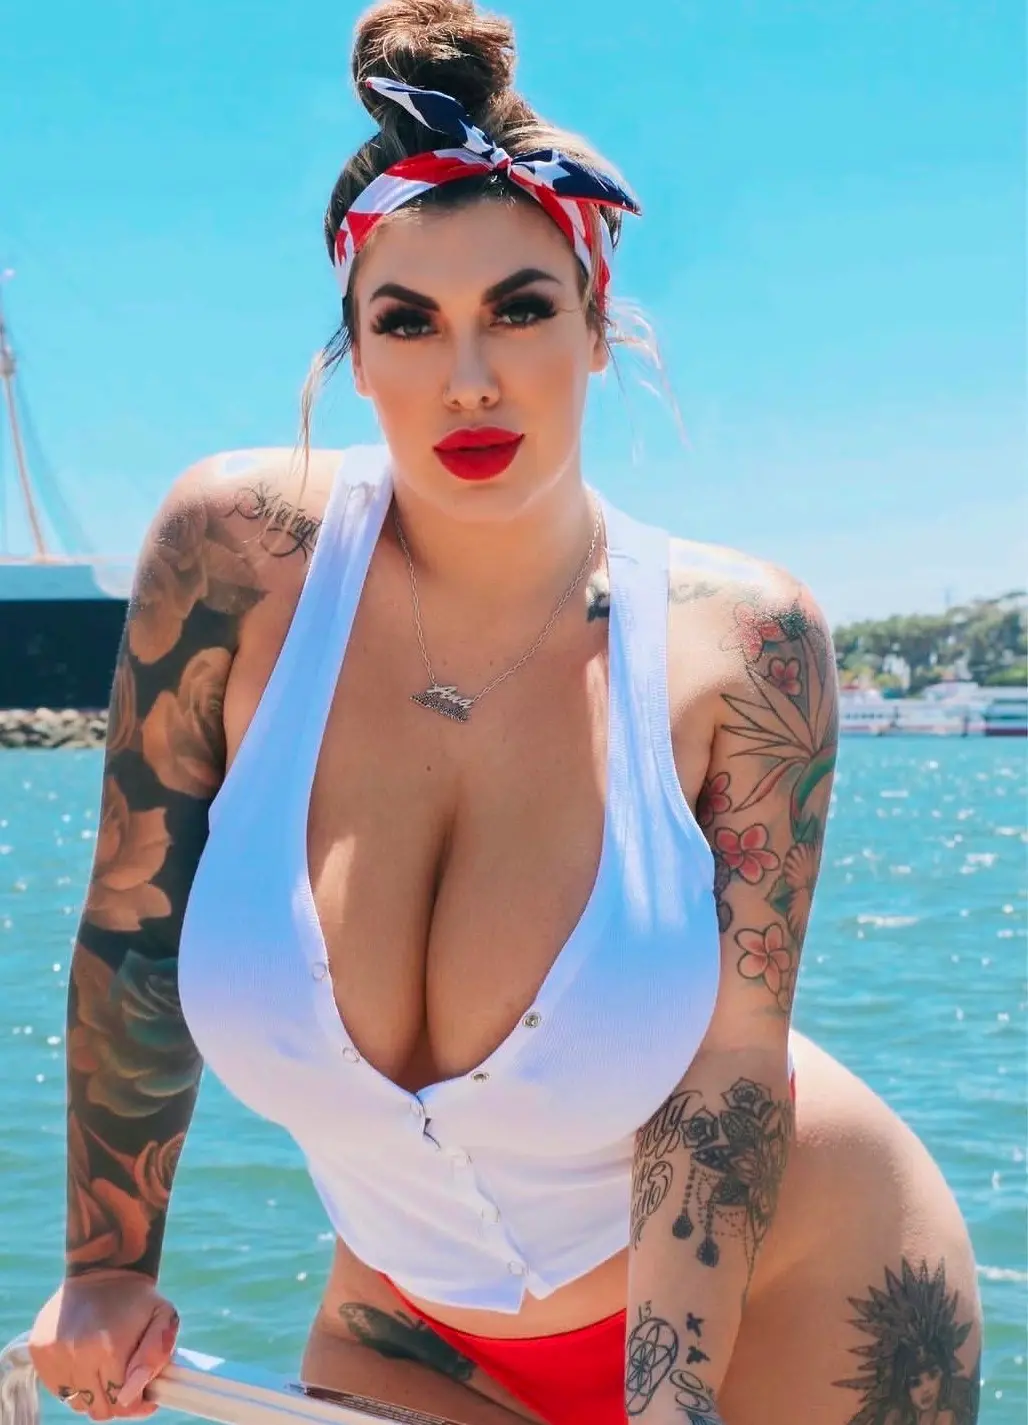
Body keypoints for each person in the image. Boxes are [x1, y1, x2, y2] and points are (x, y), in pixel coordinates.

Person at [28, 3, 982, 1423]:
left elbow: (727, 1073)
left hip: (795, 1310)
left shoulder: (745, 645)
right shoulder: (236, 558)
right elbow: (132, 929)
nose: (467, 376)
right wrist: (108, 1266)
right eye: (407, 322)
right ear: (354, 353)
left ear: (598, 325)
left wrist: (672, 1412)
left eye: (521, 309)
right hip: (413, 1337)